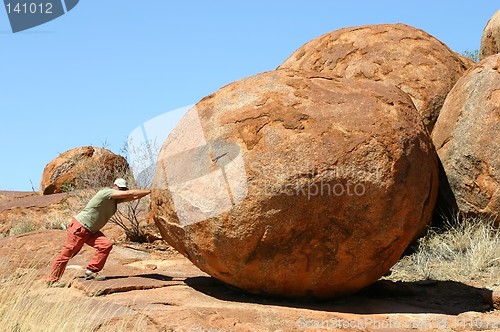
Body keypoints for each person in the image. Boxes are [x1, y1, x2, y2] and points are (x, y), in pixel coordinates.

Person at [46, 178, 151, 287]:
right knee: (66, 255)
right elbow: (130, 193)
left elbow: (133, 196)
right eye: (120, 188)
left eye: (123, 189)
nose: (122, 191)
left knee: (105, 245)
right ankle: (52, 280)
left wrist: (149, 193)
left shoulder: (115, 200)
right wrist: (149, 190)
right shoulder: (106, 192)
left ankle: (91, 271)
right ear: (114, 186)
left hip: (92, 231)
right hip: (80, 228)